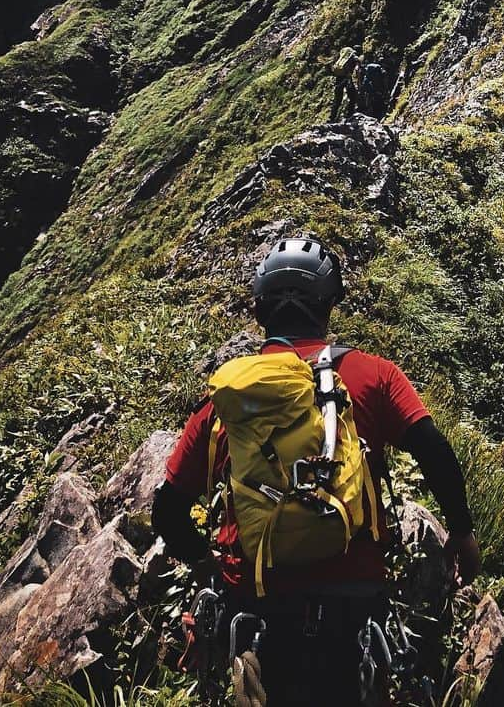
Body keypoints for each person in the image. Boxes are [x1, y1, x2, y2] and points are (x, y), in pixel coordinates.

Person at [152, 237, 481, 706]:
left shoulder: (227, 401)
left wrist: (211, 569)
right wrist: (463, 535)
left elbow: (166, 510)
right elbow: (434, 449)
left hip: (255, 604)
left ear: (260, 309)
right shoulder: (372, 376)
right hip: (353, 604)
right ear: (328, 306)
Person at [330, 45, 362, 119]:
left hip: (338, 78)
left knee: (337, 99)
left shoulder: (344, 55)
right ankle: (349, 115)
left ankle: (331, 117)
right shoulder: (355, 57)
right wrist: (358, 82)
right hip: (347, 78)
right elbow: (357, 69)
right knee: (353, 96)